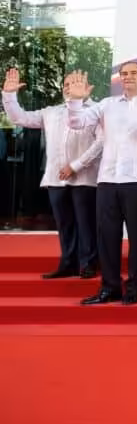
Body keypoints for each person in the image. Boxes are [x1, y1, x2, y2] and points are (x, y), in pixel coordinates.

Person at [68, 64, 137, 305]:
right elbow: (77, 123)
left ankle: (135, 287)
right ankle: (110, 287)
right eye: (124, 74)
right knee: (107, 238)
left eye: (133, 73)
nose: (127, 77)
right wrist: (75, 101)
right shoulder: (107, 104)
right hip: (107, 180)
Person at [2, 68, 104, 279]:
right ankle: (68, 264)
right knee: (64, 224)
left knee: (86, 224)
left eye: (74, 83)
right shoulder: (52, 111)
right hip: (56, 178)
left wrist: (75, 166)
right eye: (66, 85)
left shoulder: (97, 110)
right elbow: (20, 118)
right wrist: (10, 96)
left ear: (86, 86)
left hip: (85, 177)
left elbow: (100, 143)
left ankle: (89, 264)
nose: (69, 88)